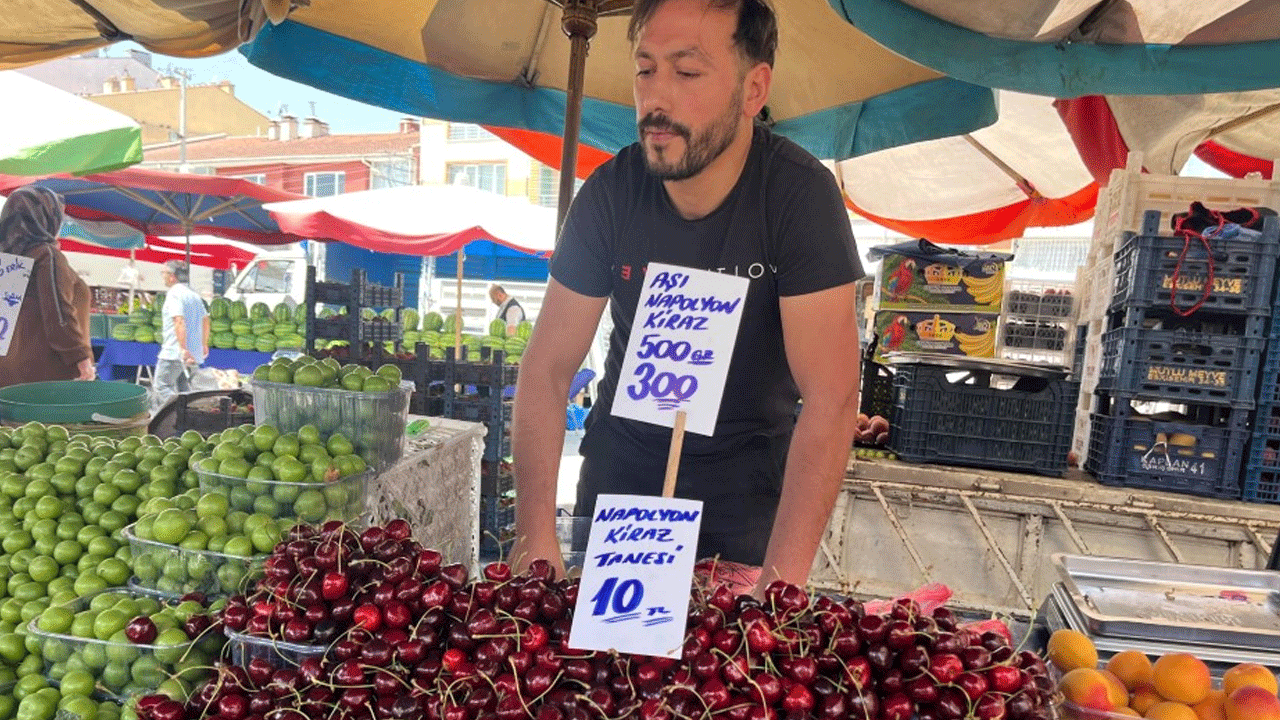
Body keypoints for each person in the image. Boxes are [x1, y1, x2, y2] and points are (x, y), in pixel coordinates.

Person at [510, 0, 862, 596]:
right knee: (607, 683)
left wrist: (781, 585)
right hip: (618, 510)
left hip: (747, 526)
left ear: (754, 89)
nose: (656, 99)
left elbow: (831, 397)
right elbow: (545, 370)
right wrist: (535, 537)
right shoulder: (610, 194)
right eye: (645, 70)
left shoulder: (799, 198)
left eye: (687, 72)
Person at [0, 186, 95, 387]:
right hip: (46, 379)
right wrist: (80, 357)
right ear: (46, 218)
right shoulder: (47, 256)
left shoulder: (9, 260)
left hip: (8, 378)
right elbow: (58, 311)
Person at [152, 260, 209, 409]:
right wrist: (204, 344)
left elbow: (179, 320)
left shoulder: (174, 294)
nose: (162, 276)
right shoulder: (194, 295)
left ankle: (172, 418)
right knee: (185, 390)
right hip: (194, 352)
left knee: (162, 386)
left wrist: (183, 348)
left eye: (163, 273)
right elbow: (206, 320)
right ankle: (188, 420)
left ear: (172, 276)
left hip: (174, 352)